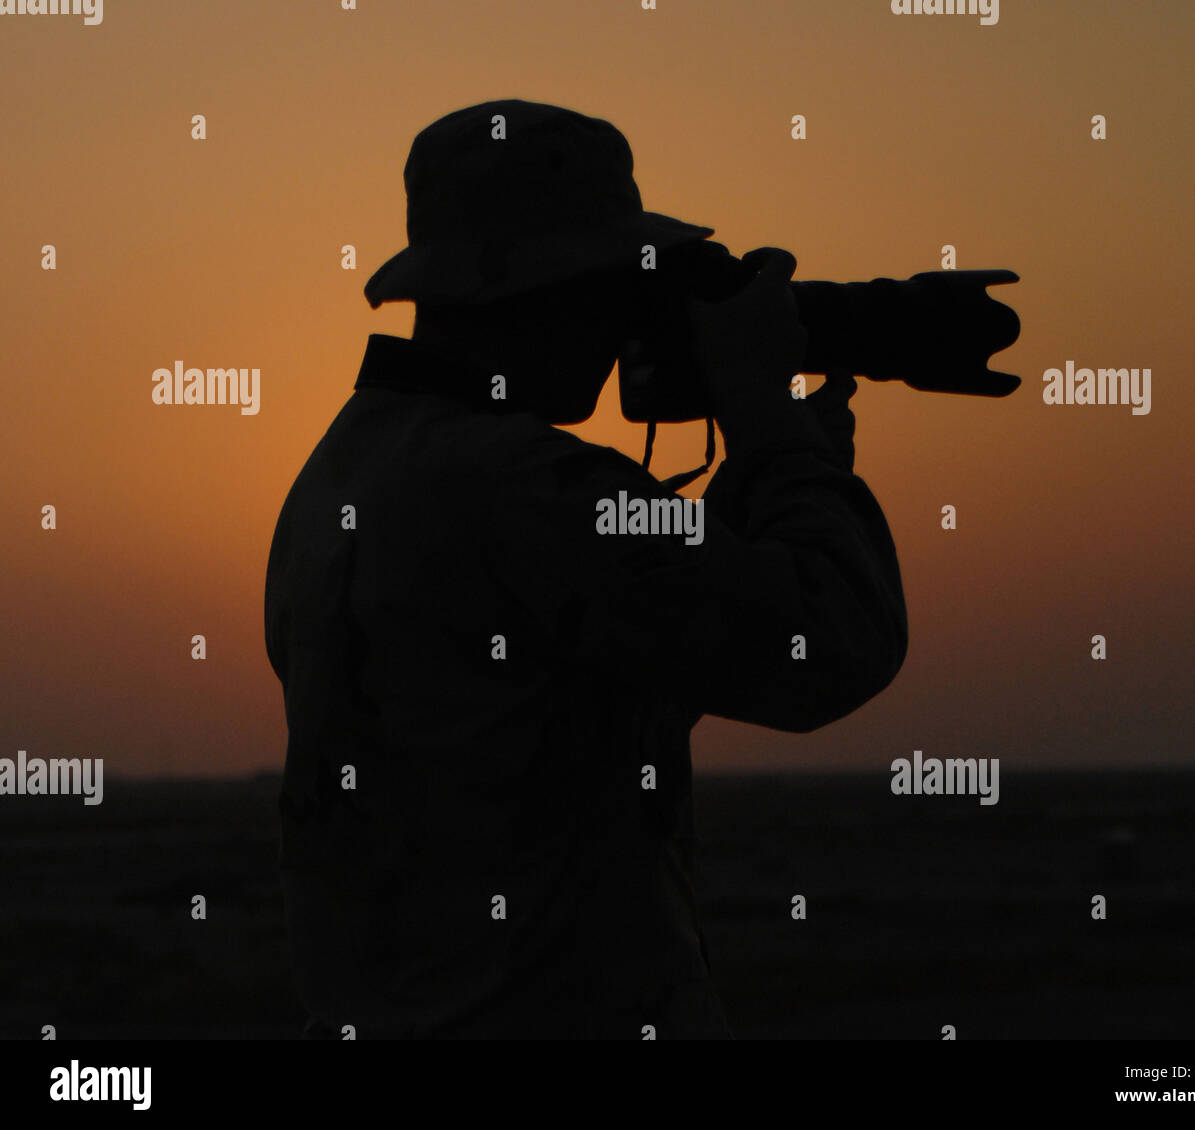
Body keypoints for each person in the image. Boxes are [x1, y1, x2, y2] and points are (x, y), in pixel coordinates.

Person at [264, 98, 908, 1039]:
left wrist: (763, 482)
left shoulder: (341, 474)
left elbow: (604, 669)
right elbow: (826, 645)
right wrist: (772, 429)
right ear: (542, 286)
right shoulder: (531, 488)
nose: (625, 321)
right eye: (613, 280)